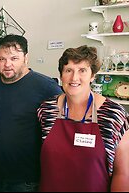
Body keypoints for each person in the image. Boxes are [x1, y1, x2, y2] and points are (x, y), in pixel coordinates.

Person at [37, 45, 129, 192]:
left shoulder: (114, 115)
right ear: (61, 76)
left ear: (93, 76)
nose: (74, 78)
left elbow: (123, 174)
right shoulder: (47, 110)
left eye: (82, 70)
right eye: (68, 70)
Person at [0, 35, 62, 192]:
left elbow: (63, 129)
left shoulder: (46, 87)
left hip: (28, 180)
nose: (7, 64)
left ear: (26, 58)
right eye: (2, 59)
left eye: (14, 58)